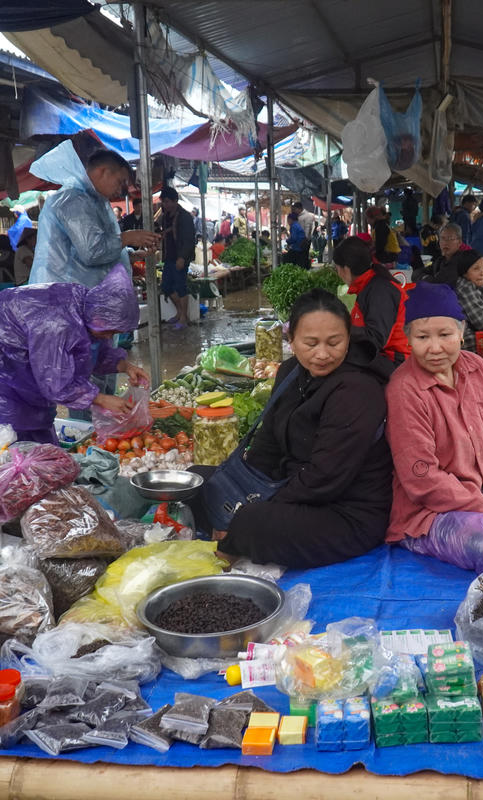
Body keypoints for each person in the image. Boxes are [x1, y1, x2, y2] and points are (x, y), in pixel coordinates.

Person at [189, 289, 392, 567]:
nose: (322, 354)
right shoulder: (290, 371)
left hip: (343, 510)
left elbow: (325, 478)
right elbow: (266, 446)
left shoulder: (357, 390)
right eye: (311, 343)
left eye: (335, 342)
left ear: (348, 338)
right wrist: (242, 492)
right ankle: (239, 526)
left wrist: (246, 515)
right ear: (291, 340)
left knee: (251, 522)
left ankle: (236, 537)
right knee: (198, 481)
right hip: (288, 487)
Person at [384, 282, 483, 571]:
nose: (434, 348)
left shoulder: (477, 367)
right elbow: (422, 480)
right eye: (422, 337)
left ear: (461, 333)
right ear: (409, 339)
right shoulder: (404, 389)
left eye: (445, 334)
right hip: (431, 512)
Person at [0, 264, 148, 451]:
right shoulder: (56, 324)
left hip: (20, 346)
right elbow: (55, 382)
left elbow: (90, 350)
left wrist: (123, 365)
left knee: (38, 411)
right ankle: (8, 472)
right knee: (7, 417)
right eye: (110, 331)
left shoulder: (88, 308)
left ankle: (42, 458)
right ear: (99, 318)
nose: (110, 337)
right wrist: (100, 399)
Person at [29, 144, 160, 287]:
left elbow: (96, 246)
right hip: (63, 294)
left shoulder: (93, 201)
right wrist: (128, 237)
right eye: (121, 181)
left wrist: (130, 255)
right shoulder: (73, 200)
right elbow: (92, 251)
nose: (121, 190)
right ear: (102, 171)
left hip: (77, 294)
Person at [334, 235, 410, 362]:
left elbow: (376, 338)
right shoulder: (369, 285)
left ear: (345, 270)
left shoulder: (380, 290)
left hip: (395, 362)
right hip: (377, 357)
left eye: (337, 269)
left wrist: (338, 329)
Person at [159, 185, 198, 329]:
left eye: (168, 201)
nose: (165, 204)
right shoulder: (165, 217)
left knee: (180, 286)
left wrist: (182, 257)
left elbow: (189, 239)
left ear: (175, 201)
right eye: (164, 202)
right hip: (169, 256)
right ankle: (181, 313)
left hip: (180, 257)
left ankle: (183, 318)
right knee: (166, 286)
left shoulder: (185, 217)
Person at [451, 250, 483, 349]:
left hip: (480, 339)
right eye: (476, 269)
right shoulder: (466, 289)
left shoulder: (474, 286)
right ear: (464, 272)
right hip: (470, 344)